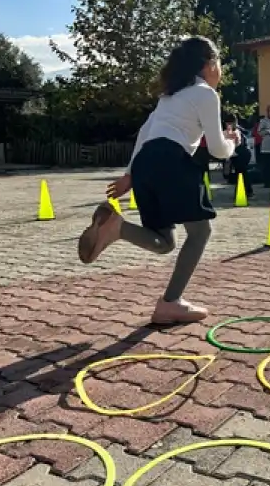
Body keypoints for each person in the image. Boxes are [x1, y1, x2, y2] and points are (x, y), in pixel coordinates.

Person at [77, 36, 239, 325]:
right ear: (209, 64)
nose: (221, 71)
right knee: (200, 233)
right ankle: (170, 303)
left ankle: (118, 229)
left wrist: (129, 174)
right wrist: (233, 143)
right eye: (220, 64)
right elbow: (217, 149)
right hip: (172, 161)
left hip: (145, 164)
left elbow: (144, 133)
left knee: (164, 242)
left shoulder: (169, 97)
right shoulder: (205, 94)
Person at [226, 115, 254, 199]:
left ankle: (244, 191)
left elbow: (238, 143)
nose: (228, 125)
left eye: (230, 123)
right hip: (236, 154)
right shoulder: (230, 130)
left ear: (235, 122)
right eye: (227, 123)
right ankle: (247, 191)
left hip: (242, 154)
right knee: (241, 173)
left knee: (241, 172)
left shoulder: (237, 130)